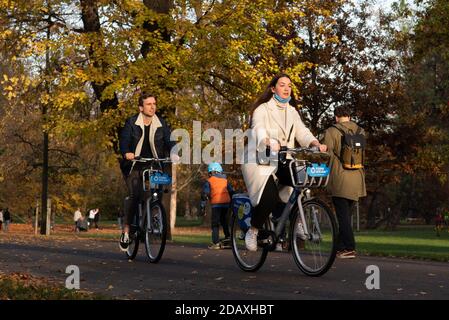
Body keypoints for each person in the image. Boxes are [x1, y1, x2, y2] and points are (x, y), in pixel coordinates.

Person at [242, 74, 327, 251]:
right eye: (282, 85)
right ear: (273, 89)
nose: (287, 88)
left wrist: (314, 143)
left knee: (300, 183)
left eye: (289, 85)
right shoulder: (263, 109)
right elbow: (257, 128)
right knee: (270, 197)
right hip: (259, 160)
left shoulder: (292, 111)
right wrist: (267, 141)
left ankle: (298, 223)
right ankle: (253, 230)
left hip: (282, 158)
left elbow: (302, 131)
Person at [118, 91, 177, 252]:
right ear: (141, 108)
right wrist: (126, 153)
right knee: (136, 194)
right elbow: (123, 142)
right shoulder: (131, 123)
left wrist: (174, 152)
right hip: (134, 165)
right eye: (149, 104)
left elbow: (170, 141)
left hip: (154, 165)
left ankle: (153, 214)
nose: (152, 107)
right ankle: (127, 230)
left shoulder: (161, 123)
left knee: (157, 192)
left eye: (154, 104)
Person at [323, 106, 366, 259]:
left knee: (343, 217)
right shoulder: (360, 131)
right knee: (346, 215)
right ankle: (339, 247)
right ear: (349, 115)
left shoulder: (331, 131)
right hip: (357, 179)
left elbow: (326, 154)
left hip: (340, 179)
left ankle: (349, 247)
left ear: (336, 117)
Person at [201, 162, 234, 250]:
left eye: (209, 173)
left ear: (212, 172)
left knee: (215, 224)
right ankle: (228, 239)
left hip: (216, 205)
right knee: (224, 222)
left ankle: (216, 242)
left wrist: (203, 207)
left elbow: (205, 194)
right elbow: (231, 192)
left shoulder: (209, 181)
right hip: (226, 205)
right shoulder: (225, 181)